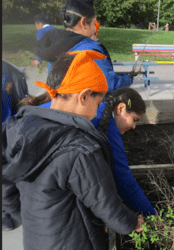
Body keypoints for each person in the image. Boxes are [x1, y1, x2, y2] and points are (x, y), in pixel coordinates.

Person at [2, 50, 143, 250]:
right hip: (75, 241)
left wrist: (13, 214)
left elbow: (6, 184)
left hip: (36, 239)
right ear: (84, 96)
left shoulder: (20, 129)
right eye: (98, 101)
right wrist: (132, 222)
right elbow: (107, 205)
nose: (97, 109)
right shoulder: (81, 149)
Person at [35, 87, 157, 216]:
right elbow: (123, 178)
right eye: (134, 120)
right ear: (121, 108)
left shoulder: (101, 109)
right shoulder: (107, 125)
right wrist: (151, 214)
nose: (134, 127)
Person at [34, 0, 132, 92]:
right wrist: (128, 78)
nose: (95, 29)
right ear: (83, 22)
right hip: (90, 108)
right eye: (94, 24)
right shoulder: (90, 48)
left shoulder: (55, 46)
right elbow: (109, 83)